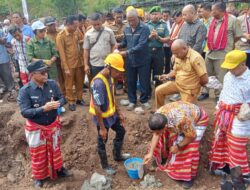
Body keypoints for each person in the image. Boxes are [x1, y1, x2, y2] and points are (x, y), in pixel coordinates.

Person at [17, 60, 69, 188]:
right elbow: (25, 112)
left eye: (46, 72)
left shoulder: (52, 84)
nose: (46, 75)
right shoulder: (25, 91)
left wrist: (58, 104)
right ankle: (39, 177)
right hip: (36, 129)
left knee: (55, 149)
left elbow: (63, 98)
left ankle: (59, 169)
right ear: (33, 75)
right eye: (42, 73)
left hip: (52, 126)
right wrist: (43, 109)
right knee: (38, 154)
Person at [143, 101, 208, 189]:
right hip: (182, 120)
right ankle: (163, 157)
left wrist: (178, 146)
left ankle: (188, 178)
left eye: (158, 131)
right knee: (161, 136)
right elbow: (156, 134)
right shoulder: (158, 115)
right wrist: (150, 153)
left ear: (165, 126)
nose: (156, 133)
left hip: (198, 121)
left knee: (190, 147)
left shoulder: (182, 120)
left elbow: (192, 136)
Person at [209, 50, 250, 180]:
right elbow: (224, 93)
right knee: (222, 141)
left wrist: (245, 111)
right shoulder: (228, 76)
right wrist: (218, 106)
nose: (230, 70)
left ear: (243, 65)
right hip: (224, 114)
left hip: (240, 117)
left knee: (237, 145)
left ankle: (242, 175)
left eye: (233, 67)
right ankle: (224, 167)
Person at [89, 53, 130, 175]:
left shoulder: (110, 78)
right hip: (102, 117)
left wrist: (119, 113)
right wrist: (102, 128)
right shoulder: (98, 83)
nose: (119, 74)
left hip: (112, 115)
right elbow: (97, 107)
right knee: (102, 139)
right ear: (109, 67)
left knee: (121, 131)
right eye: (117, 71)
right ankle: (105, 165)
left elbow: (111, 96)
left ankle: (117, 155)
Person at [198, 2, 243, 102]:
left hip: (223, 53)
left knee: (221, 76)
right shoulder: (211, 20)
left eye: (213, 10)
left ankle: (220, 94)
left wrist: (228, 43)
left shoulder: (233, 20)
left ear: (221, 10)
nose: (211, 12)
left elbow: (238, 35)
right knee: (207, 73)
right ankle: (205, 91)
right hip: (210, 51)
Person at [155, 39, 208, 108]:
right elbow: (176, 70)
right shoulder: (178, 55)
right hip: (177, 84)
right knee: (158, 90)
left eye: (176, 53)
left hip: (189, 90)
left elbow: (204, 79)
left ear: (184, 48)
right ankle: (159, 112)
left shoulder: (195, 58)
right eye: (173, 53)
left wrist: (195, 89)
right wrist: (167, 75)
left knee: (185, 111)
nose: (175, 55)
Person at [118, 9, 151, 111]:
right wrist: (119, 45)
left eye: (133, 20)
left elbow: (141, 45)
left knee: (144, 81)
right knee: (130, 81)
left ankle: (144, 100)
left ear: (138, 17)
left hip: (143, 60)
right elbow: (125, 42)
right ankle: (132, 101)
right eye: (129, 20)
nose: (131, 22)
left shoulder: (144, 28)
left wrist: (127, 52)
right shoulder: (127, 28)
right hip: (130, 61)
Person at [57, 15, 87, 111]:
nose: (76, 28)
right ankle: (71, 101)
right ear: (68, 25)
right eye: (75, 26)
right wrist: (65, 68)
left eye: (77, 26)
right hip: (69, 64)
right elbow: (62, 53)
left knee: (80, 82)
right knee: (69, 84)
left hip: (79, 62)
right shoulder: (61, 36)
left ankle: (79, 98)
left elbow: (82, 41)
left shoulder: (76, 32)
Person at [84, 13, 116, 80]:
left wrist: (112, 57)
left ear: (101, 21)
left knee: (109, 83)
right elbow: (86, 50)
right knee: (98, 83)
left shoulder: (109, 32)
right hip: (95, 64)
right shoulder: (88, 34)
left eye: (98, 24)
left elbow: (114, 44)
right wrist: (86, 65)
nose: (96, 26)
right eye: (94, 25)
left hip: (108, 63)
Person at [147, 6, 169, 88]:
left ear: (160, 15)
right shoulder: (146, 25)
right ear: (150, 15)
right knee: (147, 72)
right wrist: (150, 37)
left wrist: (158, 38)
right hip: (148, 52)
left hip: (159, 52)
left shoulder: (164, 25)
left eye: (156, 14)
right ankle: (147, 91)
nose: (154, 16)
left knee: (158, 72)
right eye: (153, 14)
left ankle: (158, 89)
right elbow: (142, 40)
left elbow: (168, 38)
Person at [0, 28, 15, 100]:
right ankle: (3, 88)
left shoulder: (1, 31)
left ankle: (11, 90)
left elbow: (4, 41)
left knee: (7, 74)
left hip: (2, 57)